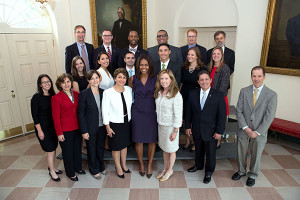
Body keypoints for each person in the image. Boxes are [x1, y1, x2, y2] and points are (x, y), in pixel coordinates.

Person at [232, 66, 277, 187]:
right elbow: (239, 111)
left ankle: (252, 174)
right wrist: (245, 128)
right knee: (241, 151)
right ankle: (241, 171)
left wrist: (257, 132)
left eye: (259, 76)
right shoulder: (244, 91)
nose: (256, 79)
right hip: (244, 129)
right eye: (254, 76)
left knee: (256, 154)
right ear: (251, 77)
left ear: (264, 77)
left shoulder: (272, 95)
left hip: (259, 131)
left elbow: (269, 117)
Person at [185, 70, 226, 184]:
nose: (204, 82)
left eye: (206, 79)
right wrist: (187, 126)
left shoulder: (218, 95)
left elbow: (222, 116)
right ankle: (198, 165)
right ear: (198, 82)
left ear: (210, 80)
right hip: (197, 128)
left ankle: (208, 172)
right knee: (198, 149)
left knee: (210, 153)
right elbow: (188, 112)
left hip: (211, 130)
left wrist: (219, 131)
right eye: (201, 80)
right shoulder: (192, 94)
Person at [128, 53, 158, 178]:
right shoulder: (132, 79)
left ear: (149, 66)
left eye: (146, 64)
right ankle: (141, 163)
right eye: (141, 65)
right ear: (138, 66)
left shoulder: (156, 78)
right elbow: (128, 96)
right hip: (137, 112)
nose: (144, 67)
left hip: (151, 111)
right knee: (138, 139)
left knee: (152, 140)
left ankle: (149, 164)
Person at [51, 73, 85, 181]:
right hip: (65, 130)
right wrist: (59, 133)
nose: (66, 84)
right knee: (68, 152)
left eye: (68, 82)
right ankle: (70, 173)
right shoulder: (56, 98)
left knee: (77, 149)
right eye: (63, 82)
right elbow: (55, 118)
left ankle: (78, 168)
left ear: (71, 82)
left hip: (77, 127)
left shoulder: (76, 94)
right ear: (60, 84)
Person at [102, 68, 132, 178]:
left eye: (124, 77)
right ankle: (118, 166)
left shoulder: (128, 89)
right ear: (115, 78)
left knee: (124, 145)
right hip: (114, 123)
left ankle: (124, 164)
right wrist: (107, 127)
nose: (122, 79)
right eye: (119, 77)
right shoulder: (108, 92)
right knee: (116, 147)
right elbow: (105, 111)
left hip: (126, 122)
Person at [31, 74, 61, 182]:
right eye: (44, 82)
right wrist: (39, 131)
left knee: (54, 148)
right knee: (51, 150)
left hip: (53, 127)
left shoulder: (53, 95)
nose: (47, 83)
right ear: (40, 85)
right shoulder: (36, 97)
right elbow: (35, 116)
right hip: (43, 128)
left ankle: (53, 167)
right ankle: (51, 171)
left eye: (48, 81)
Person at [154, 69, 183, 182]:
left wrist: (175, 131)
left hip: (171, 127)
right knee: (165, 149)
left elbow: (178, 114)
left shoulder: (176, 94)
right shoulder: (159, 92)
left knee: (171, 150)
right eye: (162, 78)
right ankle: (165, 169)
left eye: (166, 78)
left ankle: (170, 170)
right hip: (161, 125)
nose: (164, 81)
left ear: (171, 79)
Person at [78, 70, 106, 179]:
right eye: (92, 78)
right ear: (88, 80)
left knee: (100, 147)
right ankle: (93, 168)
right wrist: (84, 131)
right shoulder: (84, 94)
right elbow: (81, 114)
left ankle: (101, 165)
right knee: (91, 148)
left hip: (102, 126)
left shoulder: (104, 92)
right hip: (90, 127)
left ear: (99, 79)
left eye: (96, 78)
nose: (95, 80)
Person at [180, 47, 207, 151]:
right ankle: (187, 141)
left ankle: (196, 142)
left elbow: (204, 84)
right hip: (185, 96)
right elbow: (181, 83)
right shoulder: (184, 67)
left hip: (196, 97)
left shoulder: (203, 68)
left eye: (192, 54)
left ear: (197, 56)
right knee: (185, 119)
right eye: (188, 54)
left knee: (194, 121)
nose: (190, 56)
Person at [207, 47, 231, 149]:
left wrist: (212, 98)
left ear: (221, 55)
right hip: (209, 98)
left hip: (219, 99)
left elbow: (223, 87)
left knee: (219, 120)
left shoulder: (225, 68)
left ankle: (218, 142)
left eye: (218, 54)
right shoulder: (209, 67)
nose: (215, 56)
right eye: (214, 54)